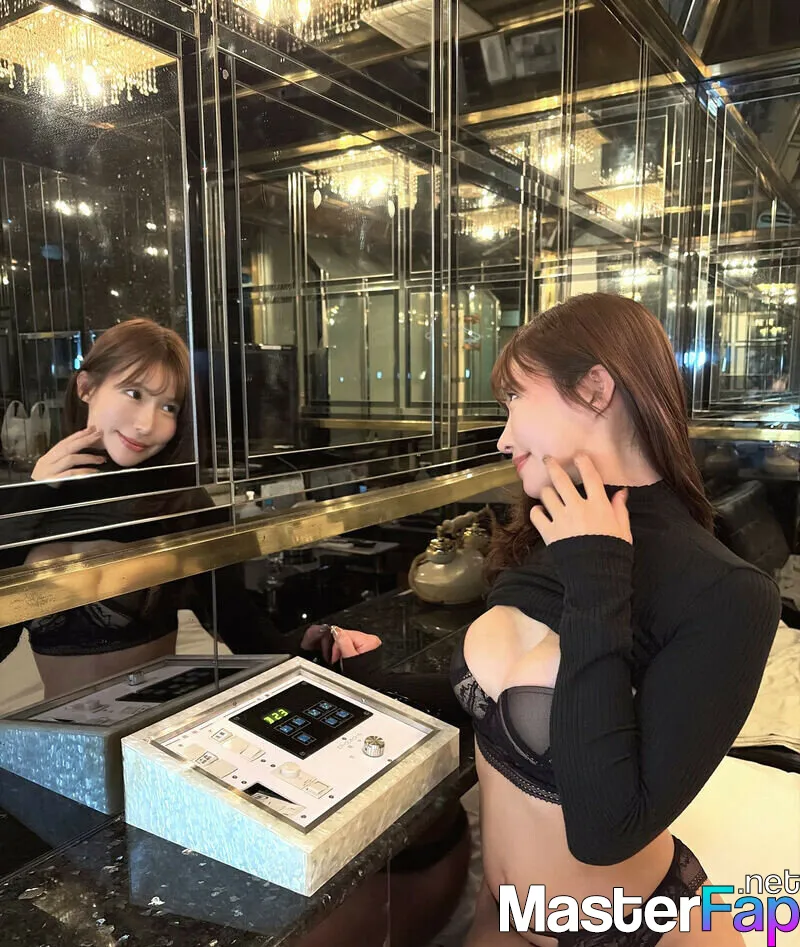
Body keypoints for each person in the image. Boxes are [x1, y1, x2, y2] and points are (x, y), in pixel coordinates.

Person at [0, 317, 471, 947]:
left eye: (169, 406)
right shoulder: (27, 506)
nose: (148, 423)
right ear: (86, 387)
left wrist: (306, 643)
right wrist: (33, 503)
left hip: (167, 743)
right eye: (133, 393)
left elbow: (243, 631)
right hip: (59, 759)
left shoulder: (183, 507)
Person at [450, 293, 781, 946]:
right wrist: (338, 674)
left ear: (595, 388)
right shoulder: (551, 528)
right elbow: (494, 704)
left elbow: (606, 829)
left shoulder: (726, 592)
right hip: (502, 915)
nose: (504, 436)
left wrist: (599, 577)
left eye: (515, 398)